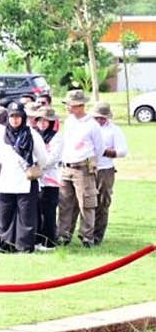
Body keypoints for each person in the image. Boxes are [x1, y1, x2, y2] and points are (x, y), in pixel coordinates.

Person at [0, 102, 47, 253]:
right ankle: (7, 244)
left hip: (26, 180)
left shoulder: (32, 134)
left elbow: (43, 157)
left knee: (26, 216)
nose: (15, 120)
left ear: (23, 117)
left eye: (18, 116)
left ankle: (24, 246)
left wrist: (33, 168)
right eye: (12, 116)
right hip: (6, 179)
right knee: (6, 215)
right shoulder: (1, 135)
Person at [55, 89, 101, 247]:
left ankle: (87, 237)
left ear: (80, 106)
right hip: (66, 166)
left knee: (86, 204)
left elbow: (99, 148)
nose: (67, 107)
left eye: (70, 105)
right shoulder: (69, 121)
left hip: (83, 168)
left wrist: (90, 161)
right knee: (64, 203)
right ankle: (63, 235)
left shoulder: (92, 125)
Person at [89, 101, 127, 245]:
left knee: (102, 203)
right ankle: (85, 233)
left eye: (102, 118)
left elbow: (122, 151)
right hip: (85, 168)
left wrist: (102, 150)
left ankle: (97, 236)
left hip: (105, 170)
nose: (99, 120)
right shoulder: (87, 127)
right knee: (85, 203)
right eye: (97, 117)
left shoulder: (114, 130)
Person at [31, 106, 61, 250]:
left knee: (48, 211)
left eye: (46, 121)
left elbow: (52, 158)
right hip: (36, 179)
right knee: (37, 210)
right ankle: (37, 239)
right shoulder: (35, 135)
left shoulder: (56, 137)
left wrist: (38, 165)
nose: (42, 124)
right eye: (40, 121)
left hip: (50, 179)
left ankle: (49, 241)